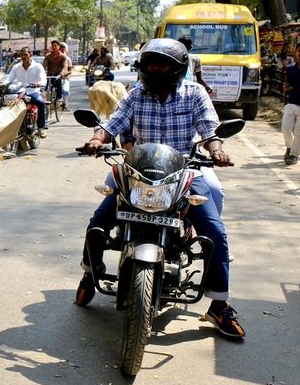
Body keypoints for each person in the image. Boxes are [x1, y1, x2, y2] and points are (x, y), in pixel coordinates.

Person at [75, 38, 244, 339]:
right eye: (150, 63)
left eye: (161, 63)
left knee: (214, 233)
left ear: (177, 68)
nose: (154, 69)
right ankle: (90, 272)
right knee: (99, 221)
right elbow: (113, 123)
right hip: (139, 170)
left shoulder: (195, 94)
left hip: (184, 172)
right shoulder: (136, 94)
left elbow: (209, 129)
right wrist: (97, 140)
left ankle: (220, 304)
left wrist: (216, 150)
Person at [3, 47, 48, 136]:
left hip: (33, 91)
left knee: (40, 103)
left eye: (25, 55)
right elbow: (9, 78)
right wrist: (3, 83)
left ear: (30, 55)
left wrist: (39, 84)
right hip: (19, 92)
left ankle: (41, 128)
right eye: (22, 55)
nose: (23, 57)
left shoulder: (38, 66)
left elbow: (43, 79)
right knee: (6, 104)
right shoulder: (16, 67)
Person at [44, 40, 73, 111]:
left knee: (60, 85)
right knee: (46, 88)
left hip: (59, 75)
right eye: (52, 46)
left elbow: (64, 67)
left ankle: (59, 97)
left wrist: (61, 74)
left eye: (55, 45)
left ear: (58, 47)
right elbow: (44, 65)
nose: (54, 47)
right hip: (50, 75)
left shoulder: (63, 57)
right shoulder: (48, 56)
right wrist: (42, 72)